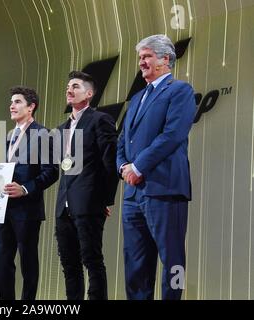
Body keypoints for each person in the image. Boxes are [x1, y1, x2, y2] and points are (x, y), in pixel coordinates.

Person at [117, 34, 196, 300]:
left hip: (164, 189)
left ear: (166, 59)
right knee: (136, 265)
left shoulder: (180, 91)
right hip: (133, 196)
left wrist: (137, 167)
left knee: (173, 260)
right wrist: (123, 167)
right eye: (140, 57)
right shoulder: (137, 98)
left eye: (147, 56)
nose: (142, 62)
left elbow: (172, 135)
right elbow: (121, 142)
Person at [0, 86, 58, 300]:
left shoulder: (42, 134)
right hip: (4, 209)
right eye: (11, 102)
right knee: (2, 262)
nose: (11, 105)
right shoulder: (10, 135)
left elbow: (51, 171)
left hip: (27, 209)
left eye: (17, 102)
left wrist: (25, 189)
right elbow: (8, 171)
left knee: (28, 264)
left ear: (31, 107)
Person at [55, 71, 119, 300]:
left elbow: (110, 163)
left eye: (75, 86)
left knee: (92, 262)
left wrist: (103, 200)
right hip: (63, 207)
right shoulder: (61, 129)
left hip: (89, 204)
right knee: (69, 266)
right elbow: (61, 169)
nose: (69, 90)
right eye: (67, 87)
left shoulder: (100, 119)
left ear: (89, 94)